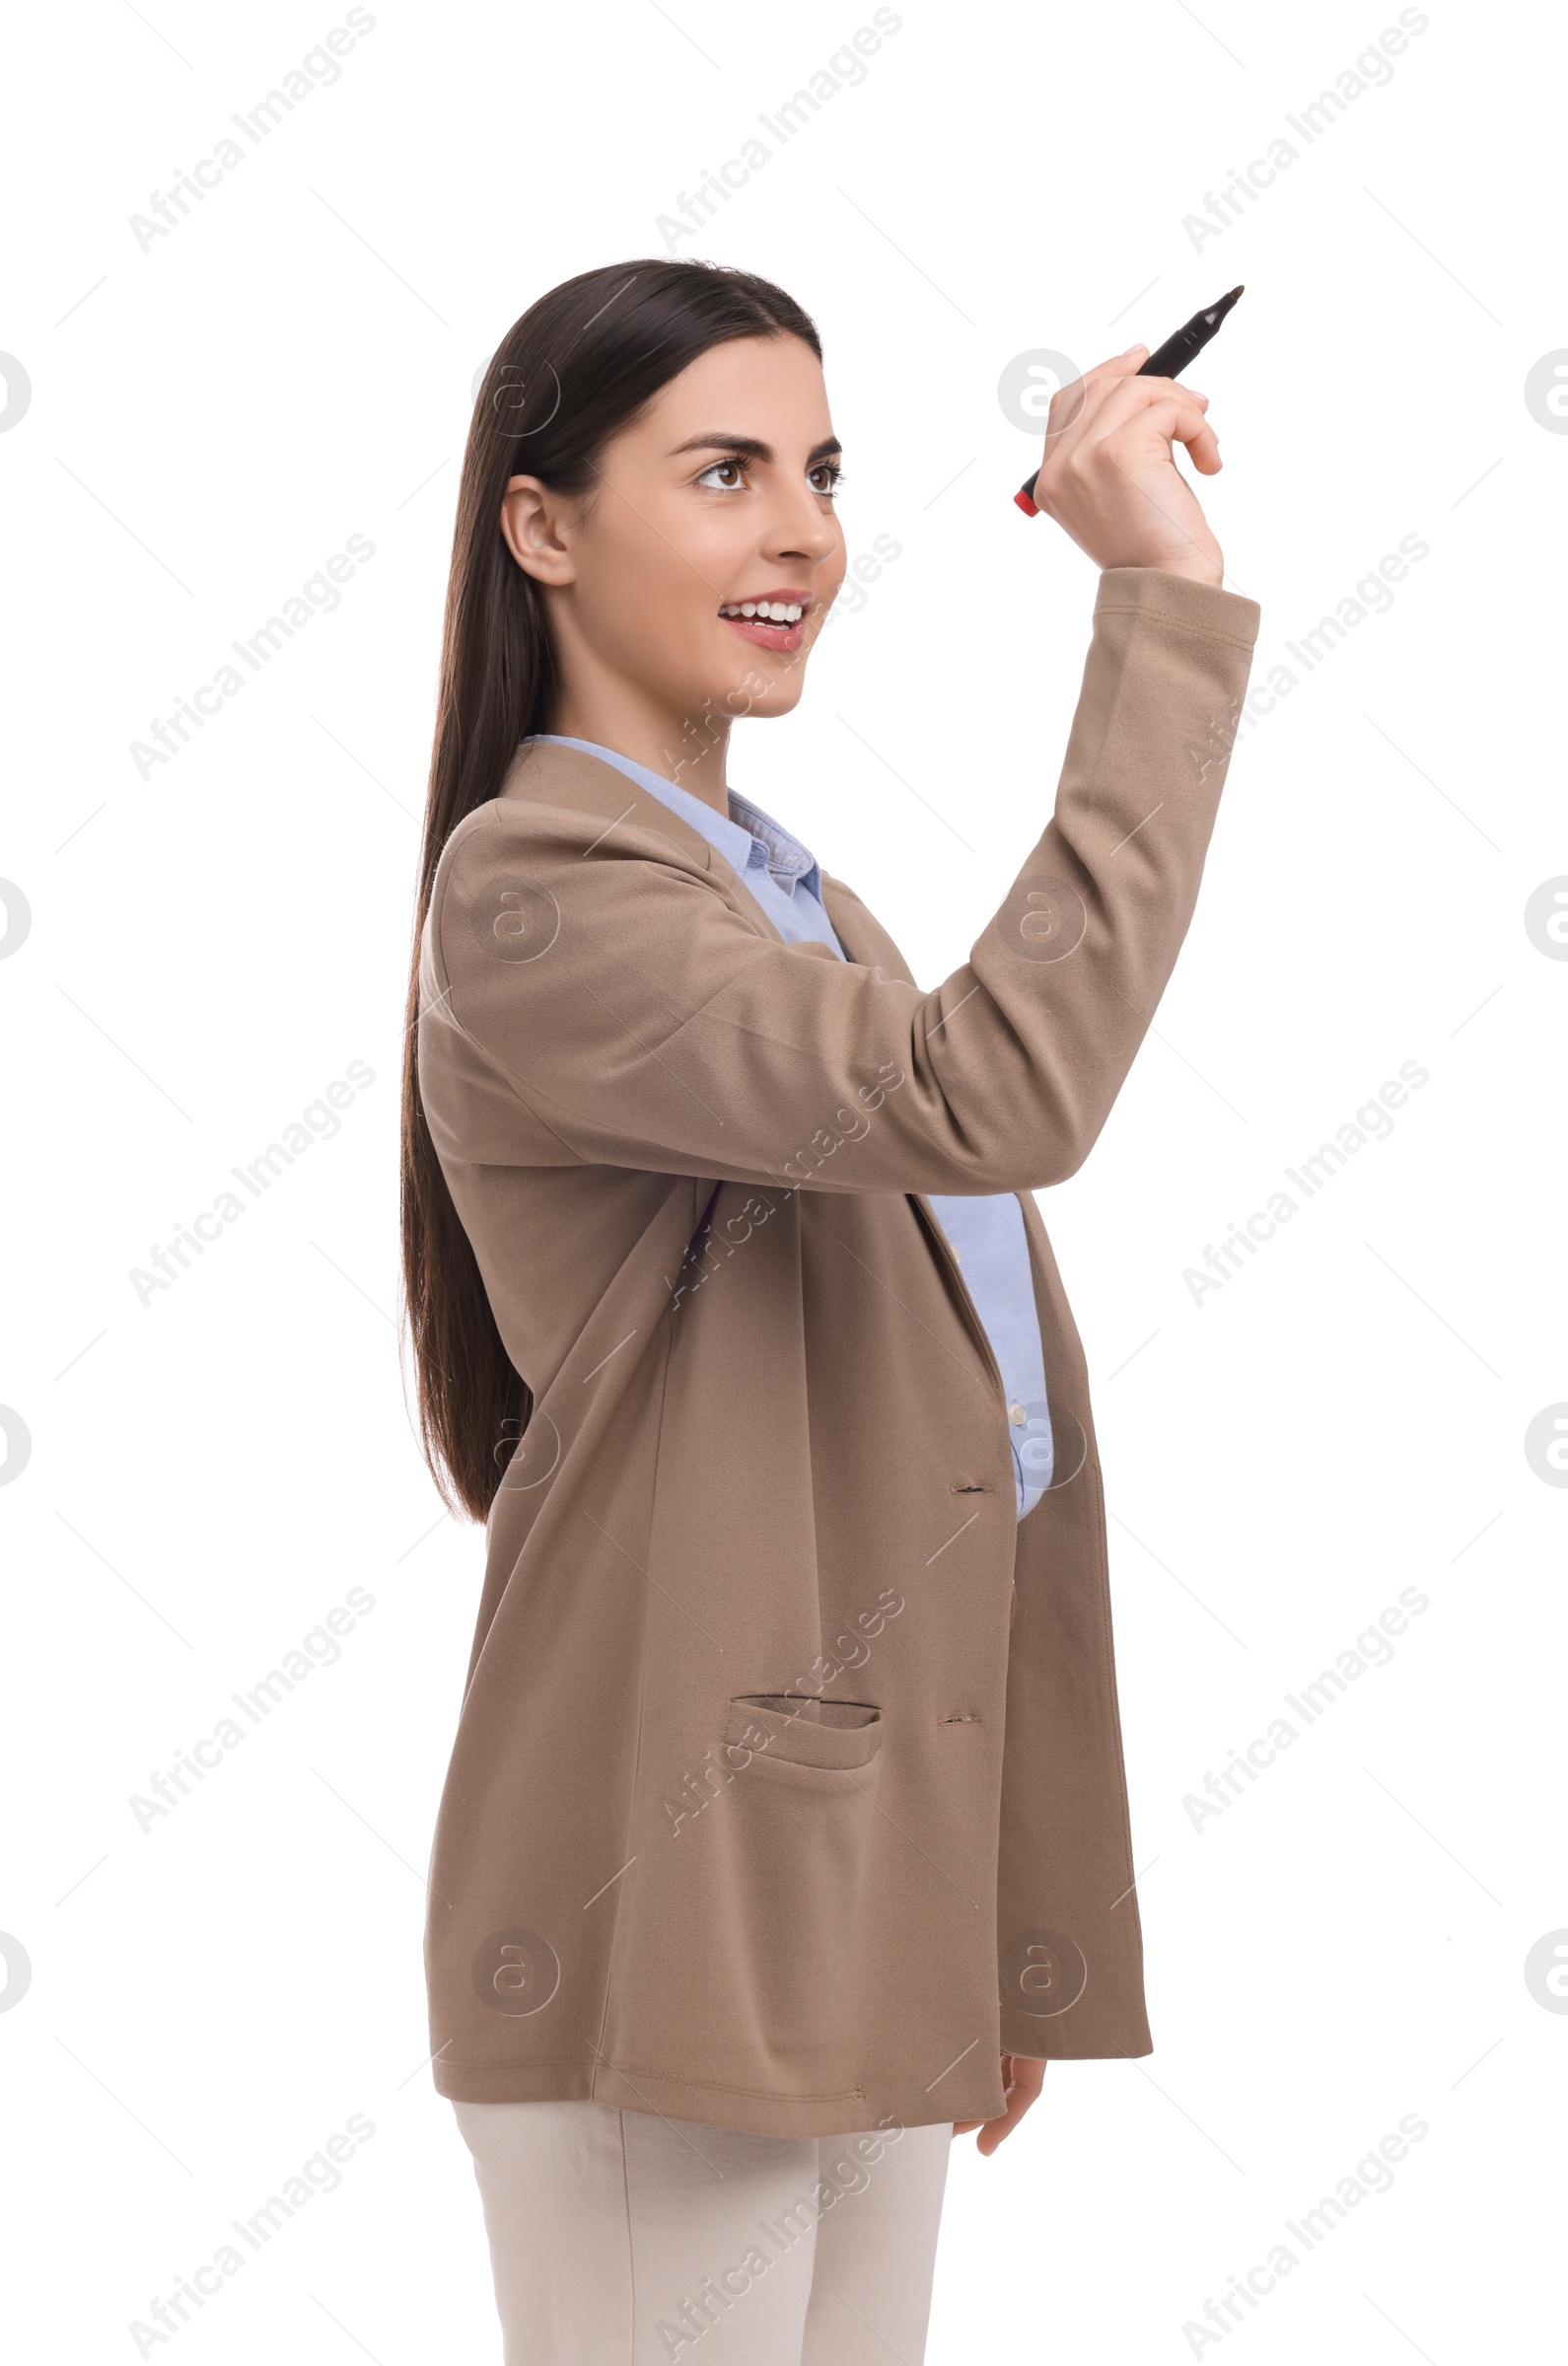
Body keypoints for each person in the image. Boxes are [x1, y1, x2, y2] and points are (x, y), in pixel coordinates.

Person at [400, 257, 1258, 2364]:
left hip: (847, 1882)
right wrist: (1155, 608)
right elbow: (1001, 1086)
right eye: (720, 471)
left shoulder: (784, 900)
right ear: (544, 529)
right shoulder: (540, 903)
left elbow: (965, 1436)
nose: (800, 532)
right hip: (671, 1911)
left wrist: (970, 1902)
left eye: (820, 469)